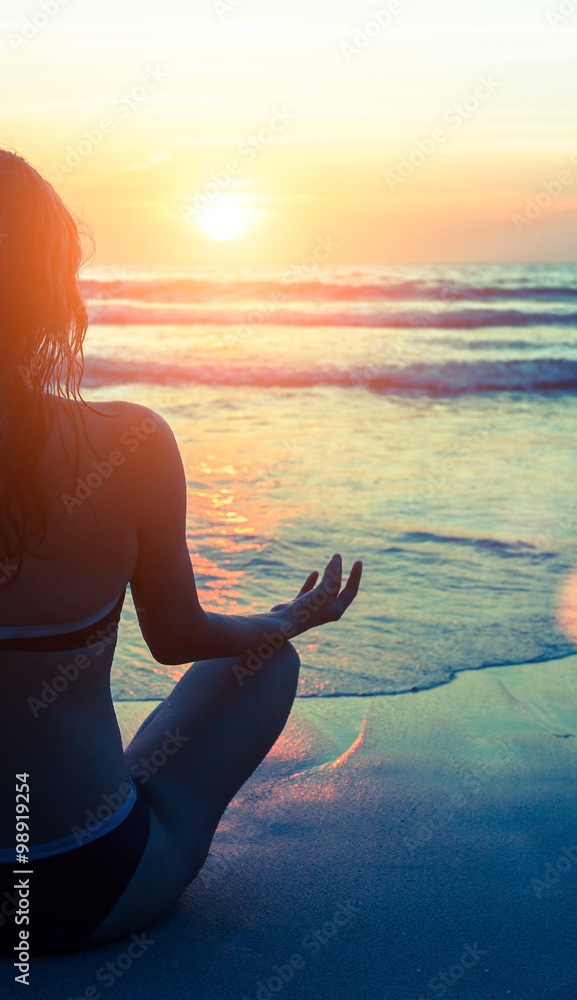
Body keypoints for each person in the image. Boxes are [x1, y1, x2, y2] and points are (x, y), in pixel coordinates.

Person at [0, 148, 363, 954]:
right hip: (86, 881)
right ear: (49, 288)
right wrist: (287, 618)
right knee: (269, 658)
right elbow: (178, 639)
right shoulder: (127, 446)